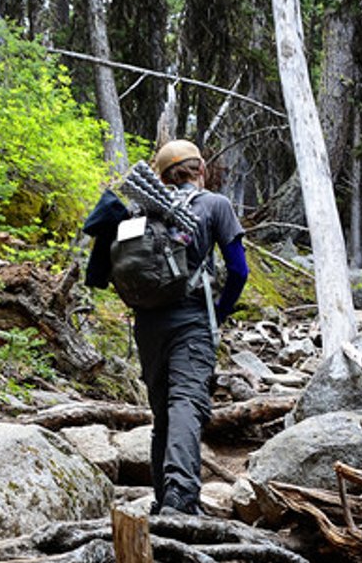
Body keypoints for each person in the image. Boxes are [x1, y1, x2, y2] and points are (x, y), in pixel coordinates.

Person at [82, 140, 247, 515]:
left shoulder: (139, 212)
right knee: (187, 404)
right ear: (200, 169)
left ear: (162, 176)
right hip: (192, 321)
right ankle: (182, 498)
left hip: (148, 324)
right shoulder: (214, 205)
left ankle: (162, 497)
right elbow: (238, 270)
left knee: (163, 413)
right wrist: (219, 313)